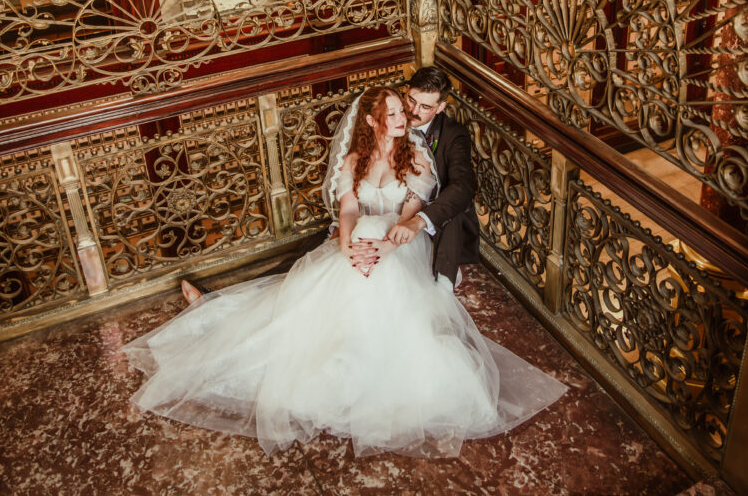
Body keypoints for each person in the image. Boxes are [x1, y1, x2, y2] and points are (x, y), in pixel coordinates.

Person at [123, 86, 566, 458]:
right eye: (391, 113)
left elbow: (409, 216)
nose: (401, 117)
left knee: (378, 255)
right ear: (372, 122)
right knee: (316, 289)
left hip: (401, 247)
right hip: (358, 248)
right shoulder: (353, 162)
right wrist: (346, 246)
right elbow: (349, 209)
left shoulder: (417, 160)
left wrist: (382, 252)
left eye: (402, 111)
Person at [386, 67, 479, 289]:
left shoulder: (453, 134)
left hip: (430, 214)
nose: (413, 111)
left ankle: (442, 288)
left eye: (426, 107)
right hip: (392, 199)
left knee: (452, 206)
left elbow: (464, 186)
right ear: (406, 91)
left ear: (440, 108)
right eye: (411, 100)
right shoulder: (390, 114)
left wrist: (419, 221)